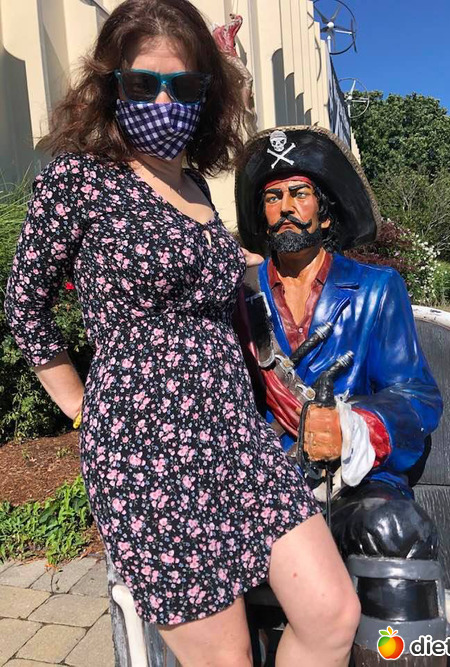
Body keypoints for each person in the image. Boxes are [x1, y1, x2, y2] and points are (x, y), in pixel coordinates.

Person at [3, 3, 360, 666]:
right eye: (144, 83)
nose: (164, 101)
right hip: (149, 455)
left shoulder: (194, 182)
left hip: (236, 437)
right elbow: (25, 304)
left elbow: (199, 281)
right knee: (226, 659)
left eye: (185, 85)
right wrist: (83, 407)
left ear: (206, 94)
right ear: (111, 85)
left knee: (332, 614)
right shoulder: (77, 180)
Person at [235, 126, 446, 664]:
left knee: (393, 527)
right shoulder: (241, 299)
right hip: (265, 481)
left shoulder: (377, 289)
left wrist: (355, 426)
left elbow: (417, 395)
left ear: (325, 213)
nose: (285, 208)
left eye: (299, 194)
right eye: (272, 197)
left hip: (353, 484)